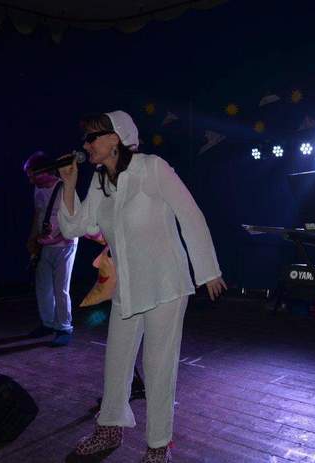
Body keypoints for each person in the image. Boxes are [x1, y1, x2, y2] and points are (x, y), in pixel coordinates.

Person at [57, 110, 226, 463]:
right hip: (129, 287)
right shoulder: (100, 181)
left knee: (157, 366)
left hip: (166, 284)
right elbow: (75, 227)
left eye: (92, 138)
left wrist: (208, 271)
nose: (86, 145)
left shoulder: (153, 168)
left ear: (115, 138)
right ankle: (109, 429)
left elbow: (190, 215)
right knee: (116, 361)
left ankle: (158, 446)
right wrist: (69, 185)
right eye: (85, 139)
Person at [24, 152, 78, 347]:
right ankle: (47, 324)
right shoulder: (38, 190)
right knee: (43, 287)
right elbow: (38, 215)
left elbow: (74, 223)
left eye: (32, 175)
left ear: (44, 172)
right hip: (45, 246)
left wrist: (53, 239)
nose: (30, 180)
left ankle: (64, 328)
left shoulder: (65, 189)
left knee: (60, 288)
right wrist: (33, 239)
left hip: (65, 245)